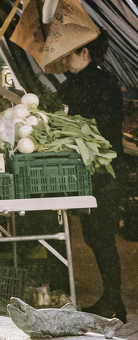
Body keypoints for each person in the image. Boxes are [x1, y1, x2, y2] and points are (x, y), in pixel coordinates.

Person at [57, 33, 126, 322]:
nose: (65, 61)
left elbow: (101, 127)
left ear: (85, 53)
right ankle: (111, 298)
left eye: (69, 55)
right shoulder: (76, 82)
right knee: (94, 235)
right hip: (89, 171)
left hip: (103, 171)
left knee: (101, 235)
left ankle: (114, 301)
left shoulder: (101, 83)